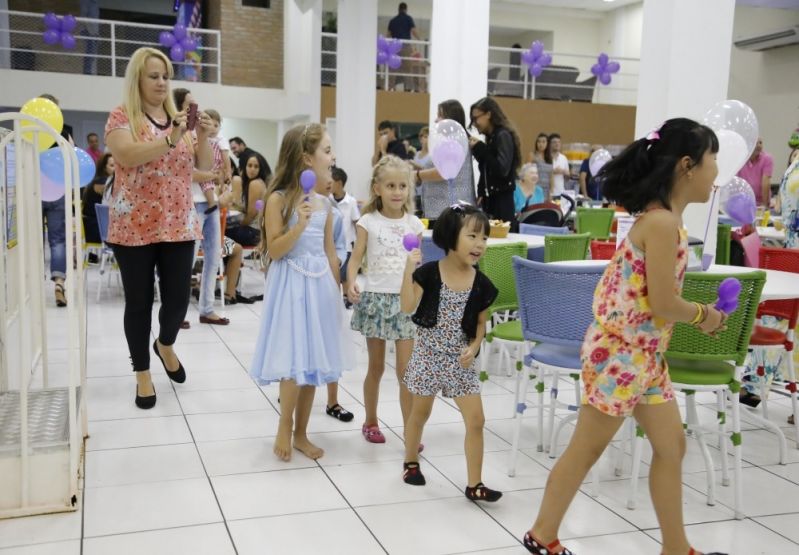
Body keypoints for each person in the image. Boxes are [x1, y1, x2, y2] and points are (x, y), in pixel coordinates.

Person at [522, 118, 727, 555]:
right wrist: (704, 315)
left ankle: (676, 547)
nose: (716, 174)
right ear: (688, 166)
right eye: (713, 162)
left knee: (672, 446)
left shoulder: (665, 222)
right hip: (620, 355)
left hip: (645, 356)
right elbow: (664, 304)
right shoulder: (662, 224)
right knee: (586, 449)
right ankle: (542, 534)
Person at [104, 47, 213, 409]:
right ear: (138, 78)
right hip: (133, 225)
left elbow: (203, 164)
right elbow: (126, 155)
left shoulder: (180, 121)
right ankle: (143, 374)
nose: (162, 82)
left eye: (166, 75)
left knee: (179, 301)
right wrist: (170, 138)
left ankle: (165, 344)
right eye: (154, 75)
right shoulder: (122, 117)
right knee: (139, 303)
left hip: (179, 223)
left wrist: (203, 134)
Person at [249, 123, 348, 461]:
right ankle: (284, 424)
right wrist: (300, 225)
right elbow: (275, 250)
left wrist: (339, 290)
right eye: (327, 150)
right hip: (291, 283)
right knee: (293, 358)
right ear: (307, 158)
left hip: (319, 283)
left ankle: (302, 432)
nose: (332, 156)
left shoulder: (326, 204)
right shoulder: (277, 199)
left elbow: (330, 252)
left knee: (313, 360)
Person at [399, 204, 502, 502]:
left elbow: (481, 323)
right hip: (429, 356)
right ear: (449, 237)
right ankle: (410, 460)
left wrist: (475, 346)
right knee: (420, 413)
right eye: (472, 236)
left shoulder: (481, 283)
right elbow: (407, 307)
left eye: (484, 238)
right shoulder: (429, 274)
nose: (480, 244)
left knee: (477, 420)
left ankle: (475, 484)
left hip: (460, 361)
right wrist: (409, 270)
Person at [347, 155, 424, 445]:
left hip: (404, 303)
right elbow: (356, 257)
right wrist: (350, 280)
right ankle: (370, 421)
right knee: (376, 368)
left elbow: (418, 266)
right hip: (376, 300)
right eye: (390, 185)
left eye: (403, 186)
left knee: (406, 371)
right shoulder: (368, 221)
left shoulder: (414, 224)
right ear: (377, 188)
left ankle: (410, 430)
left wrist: (420, 295)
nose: (397, 191)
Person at [173, 88, 229, 326]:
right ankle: (177, 313)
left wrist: (203, 135)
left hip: (209, 204)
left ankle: (206, 308)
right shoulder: (173, 134)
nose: (194, 110)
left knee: (213, 257)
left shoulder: (197, 135)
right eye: (189, 106)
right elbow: (184, 172)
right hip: (189, 204)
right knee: (185, 262)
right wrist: (210, 175)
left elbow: (206, 163)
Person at [417, 100, 477, 222]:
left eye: (440, 115)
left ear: (450, 118)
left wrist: (417, 175)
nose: (436, 120)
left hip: (445, 211)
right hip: (446, 209)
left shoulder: (452, 143)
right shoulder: (459, 140)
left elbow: (443, 173)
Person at [469, 97, 521, 223]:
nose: (475, 123)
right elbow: (488, 169)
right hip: (492, 200)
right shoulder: (492, 138)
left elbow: (502, 170)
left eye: (476, 118)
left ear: (488, 114)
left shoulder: (502, 135)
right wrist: (482, 190)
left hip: (502, 203)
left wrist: (482, 149)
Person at [330, 166, 360, 307]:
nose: (328, 183)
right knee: (333, 272)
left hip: (347, 244)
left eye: (332, 180)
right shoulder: (327, 200)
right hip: (331, 244)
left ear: (340, 183)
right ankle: (335, 297)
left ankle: (348, 297)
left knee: (344, 274)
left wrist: (360, 243)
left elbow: (356, 222)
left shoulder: (351, 202)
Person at [225, 152, 268, 247]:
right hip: (256, 232)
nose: (252, 169)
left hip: (254, 232)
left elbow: (251, 215)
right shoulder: (254, 183)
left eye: (256, 166)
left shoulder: (255, 184)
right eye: (250, 165)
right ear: (245, 167)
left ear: (261, 169)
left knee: (221, 234)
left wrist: (239, 225)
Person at [387, 2, 420, 91]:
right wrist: (420, 39)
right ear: (406, 9)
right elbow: (413, 31)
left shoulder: (393, 21)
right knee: (407, 68)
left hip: (394, 47)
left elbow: (388, 34)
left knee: (393, 68)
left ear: (398, 9)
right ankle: (408, 88)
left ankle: (390, 87)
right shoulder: (408, 19)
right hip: (405, 46)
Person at [82, 153, 114, 246]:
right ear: (104, 168)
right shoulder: (103, 183)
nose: (116, 168)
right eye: (112, 165)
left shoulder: (96, 180)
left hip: (92, 227)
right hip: (98, 229)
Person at [737, 137, 773, 208]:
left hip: (761, 202)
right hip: (744, 201)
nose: (759, 145)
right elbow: (736, 181)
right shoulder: (740, 158)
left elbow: (765, 182)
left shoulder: (767, 158)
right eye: (756, 143)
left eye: (760, 143)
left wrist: (765, 205)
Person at [545, 133, 570, 199]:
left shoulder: (563, 158)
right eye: (554, 142)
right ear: (549, 144)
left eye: (559, 142)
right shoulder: (546, 158)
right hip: (548, 193)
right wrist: (553, 171)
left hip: (561, 192)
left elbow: (567, 177)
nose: (557, 144)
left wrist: (564, 172)